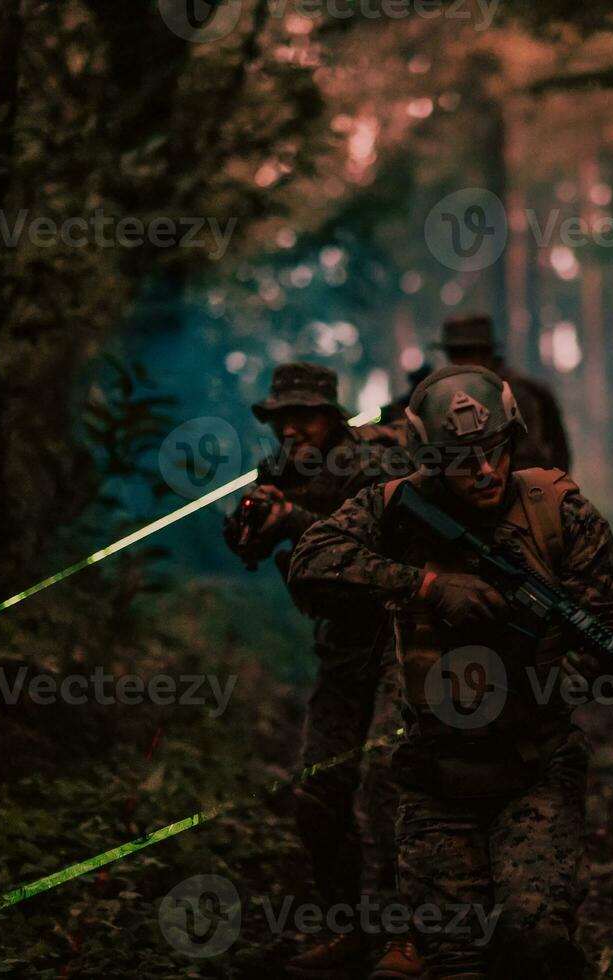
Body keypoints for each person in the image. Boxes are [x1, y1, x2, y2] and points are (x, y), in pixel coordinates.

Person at [287, 365, 613, 980]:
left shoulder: (561, 512)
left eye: (493, 451)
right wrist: (424, 584)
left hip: (534, 765)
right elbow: (313, 558)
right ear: (428, 459)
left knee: (533, 940)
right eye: (460, 460)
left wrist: (544, 656)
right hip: (435, 776)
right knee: (454, 960)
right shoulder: (398, 508)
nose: (483, 471)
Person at [222, 362, 421, 980]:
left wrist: (295, 523)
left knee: (390, 777)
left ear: (332, 417)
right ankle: (350, 932)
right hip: (342, 646)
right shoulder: (282, 473)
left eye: (302, 417)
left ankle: (409, 934)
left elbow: (376, 557)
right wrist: (250, 526)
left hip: (398, 635)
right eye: (280, 419)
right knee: (317, 789)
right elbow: (252, 540)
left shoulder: (376, 466)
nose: (289, 430)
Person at [435, 313, 571, 473]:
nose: (458, 363)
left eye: (465, 354)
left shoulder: (518, 395)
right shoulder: (445, 397)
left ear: (485, 354)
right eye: (454, 354)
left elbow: (532, 458)